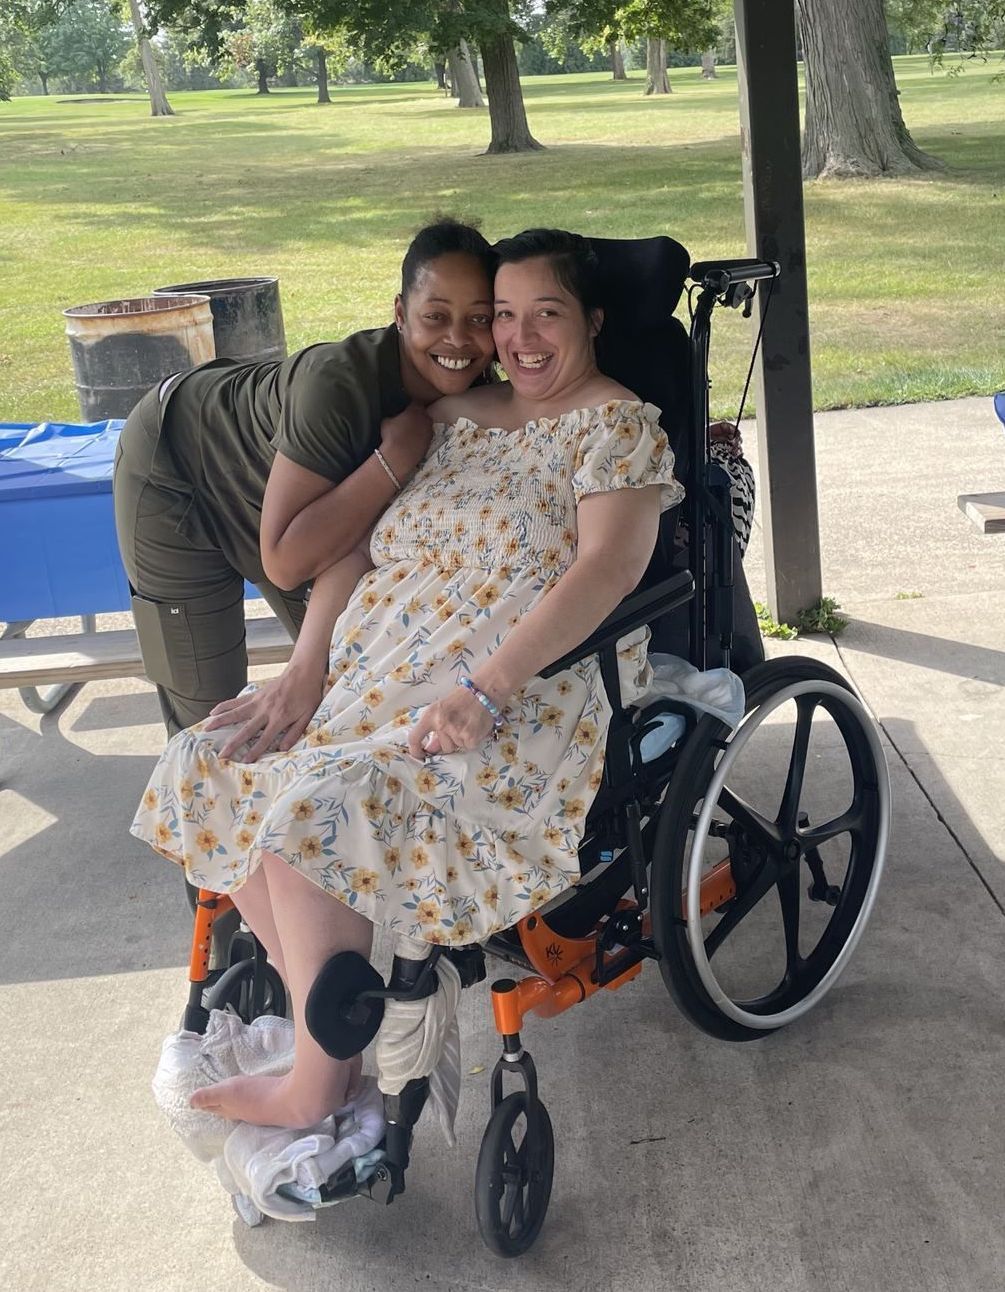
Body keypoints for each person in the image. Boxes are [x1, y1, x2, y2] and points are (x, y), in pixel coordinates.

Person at [131, 228, 684, 1132]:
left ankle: (314, 1088)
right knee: (212, 759)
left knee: (313, 809)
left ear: (591, 320)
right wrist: (302, 671)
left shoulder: (614, 427)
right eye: (504, 315)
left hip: (512, 688)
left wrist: (486, 686)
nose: (517, 336)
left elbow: (607, 571)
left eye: (544, 312)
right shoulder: (451, 419)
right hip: (370, 669)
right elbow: (350, 552)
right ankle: (336, 1031)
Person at [113, 218, 498, 739]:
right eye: (436, 316)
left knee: (338, 688)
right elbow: (286, 562)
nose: (458, 338)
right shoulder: (336, 386)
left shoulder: (484, 394)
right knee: (214, 723)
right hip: (178, 468)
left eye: (479, 319)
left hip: (304, 513)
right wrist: (393, 460)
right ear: (401, 315)